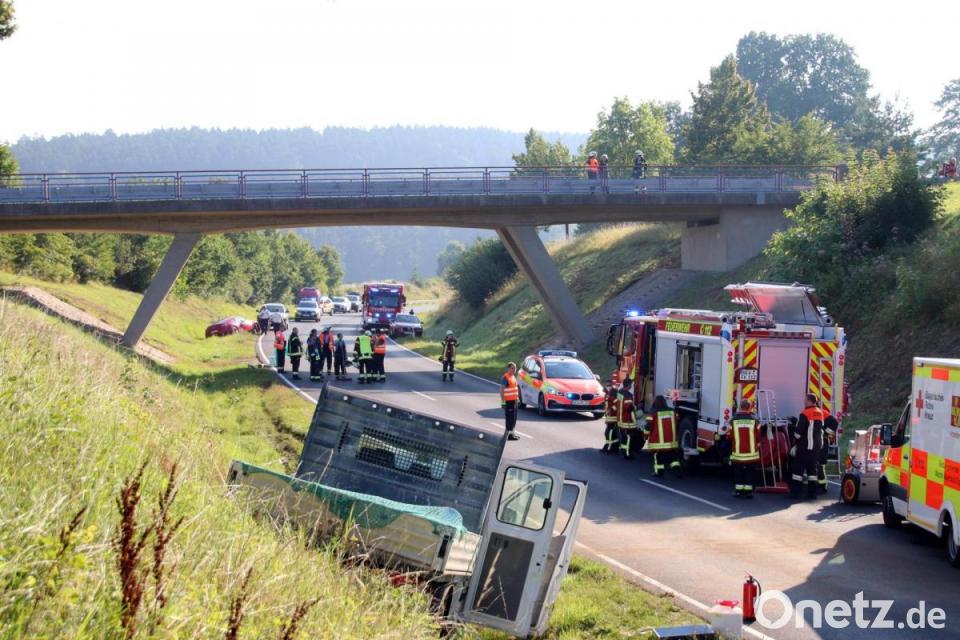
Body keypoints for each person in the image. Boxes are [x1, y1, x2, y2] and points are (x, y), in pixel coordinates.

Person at [791, 394, 826, 500]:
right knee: (812, 472)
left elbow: (798, 433)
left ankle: (796, 493)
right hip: (816, 447)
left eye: (805, 400)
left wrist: (794, 437)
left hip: (804, 447)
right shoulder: (820, 412)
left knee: (798, 471)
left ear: (810, 401)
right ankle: (812, 493)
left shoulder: (805, 413)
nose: (804, 402)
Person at [728, 399, 760, 498]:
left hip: (738, 453)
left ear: (740, 407)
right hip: (751, 453)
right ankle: (748, 492)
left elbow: (729, 435)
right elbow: (758, 436)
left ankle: (738, 491)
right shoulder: (755, 420)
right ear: (749, 408)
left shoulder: (733, 420)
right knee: (750, 472)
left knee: (738, 471)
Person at [645, 395, 682, 477]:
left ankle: (659, 472)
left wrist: (645, 437)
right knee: (673, 457)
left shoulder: (653, 413)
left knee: (658, 457)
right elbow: (677, 421)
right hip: (671, 441)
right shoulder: (672, 412)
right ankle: (677, 471)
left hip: (658, 442)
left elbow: (648, 427)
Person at [818, 409, 839, 495]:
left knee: (819, 465)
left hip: (821, 443)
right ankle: (819, 485)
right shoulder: (816, 412)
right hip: (817, 443)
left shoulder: (820, 412)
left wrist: (825, 433)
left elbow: (835, 423)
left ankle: (822, 487)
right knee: (818, 465)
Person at [617, 377, 639, 459]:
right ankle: (627, 453)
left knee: (623, 436)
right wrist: (636, 408)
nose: (632, 386)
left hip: (620, 418)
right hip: (627, 420)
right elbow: (629, 409)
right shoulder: (627, 395)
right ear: (629, 385)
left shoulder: (620, 392)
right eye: (631, 385)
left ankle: (623, 451)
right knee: (628, 437)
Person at [500, 362, 520, 441]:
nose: (514, 369)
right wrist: (503, 402)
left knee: (514, 419)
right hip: (508, 402)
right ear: (508, 368)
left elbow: (515, 389)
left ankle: (511, 434)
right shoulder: (505, 378)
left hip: (514, 401)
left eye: (515, 368)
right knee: (509, 419)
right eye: (512, 368)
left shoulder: (513, 377)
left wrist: (517, 399)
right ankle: (507, 435)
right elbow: (502, 390)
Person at [601, 381, 620, 454]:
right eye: (606, 385)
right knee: (609, 432)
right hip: (609, 416)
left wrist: (611, 409)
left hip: (613, 416)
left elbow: (617, 404)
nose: (607, 386)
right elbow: (607, 403)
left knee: (610, 432)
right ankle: (609, 447)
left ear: (612, 385)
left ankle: (611, 447)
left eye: (609, 385)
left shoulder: (613, 393)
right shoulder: (607, 393)